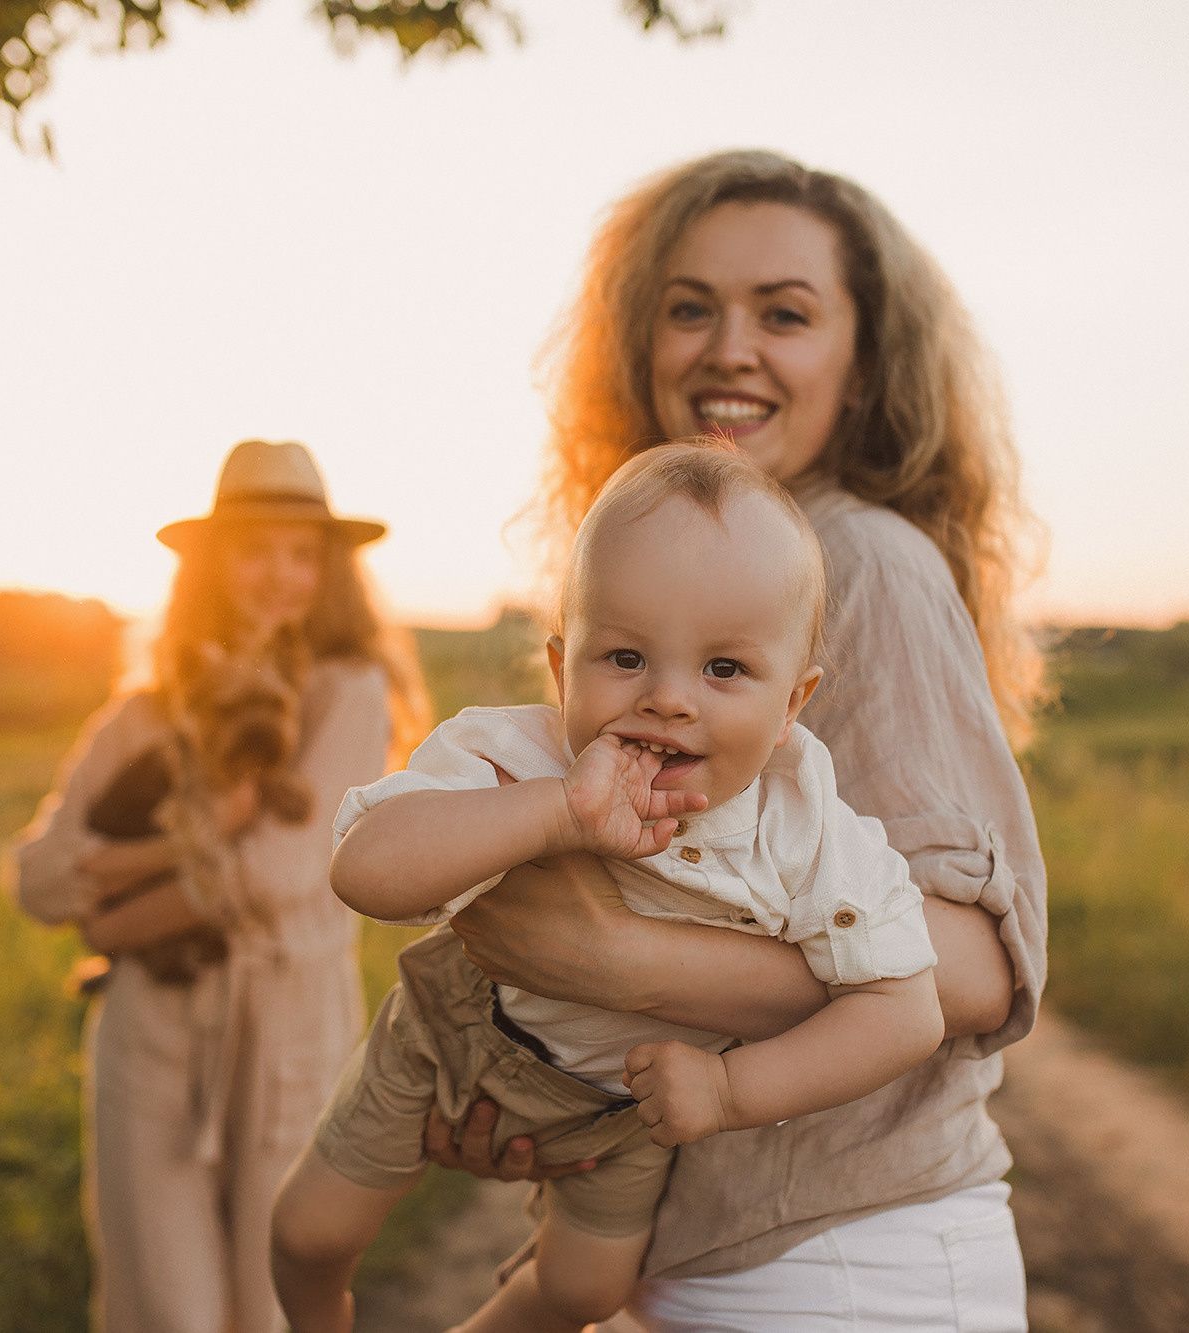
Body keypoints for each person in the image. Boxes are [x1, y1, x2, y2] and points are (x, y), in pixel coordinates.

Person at [452, 148, 1048, 1330]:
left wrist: (612, 959)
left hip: (839, 1259)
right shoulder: (692, 582)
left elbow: (975, 970)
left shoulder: (859, 557)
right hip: (725, 1248)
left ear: (860, 361)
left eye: (783, 313)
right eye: (689, 308)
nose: (729, 348)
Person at [276, 444, 946, 1333]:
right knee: (307, 1231)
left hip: (625, 1110)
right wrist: (554, 814)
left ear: (793, 703)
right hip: (456, 1034)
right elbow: (363, 865)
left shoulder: (808, 832)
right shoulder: (524, 757)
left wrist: (731, 1091)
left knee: (583, 1293)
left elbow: (909, 1010)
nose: (668, 699)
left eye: (723, 669)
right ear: (561, 668)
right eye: (624, 656)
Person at [16, 440, 425, 1333]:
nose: (278, 575)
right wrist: (197, 836)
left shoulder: (348, 693)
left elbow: (280, 875)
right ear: (209, 564)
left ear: (329, 573)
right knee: (168, 1310)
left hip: (289, 1035)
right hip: (153, 1039)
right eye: (253, 549)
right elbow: (37, 880)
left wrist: (114, 922)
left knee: (267, 1307)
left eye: (301, 554)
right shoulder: (145, 711)